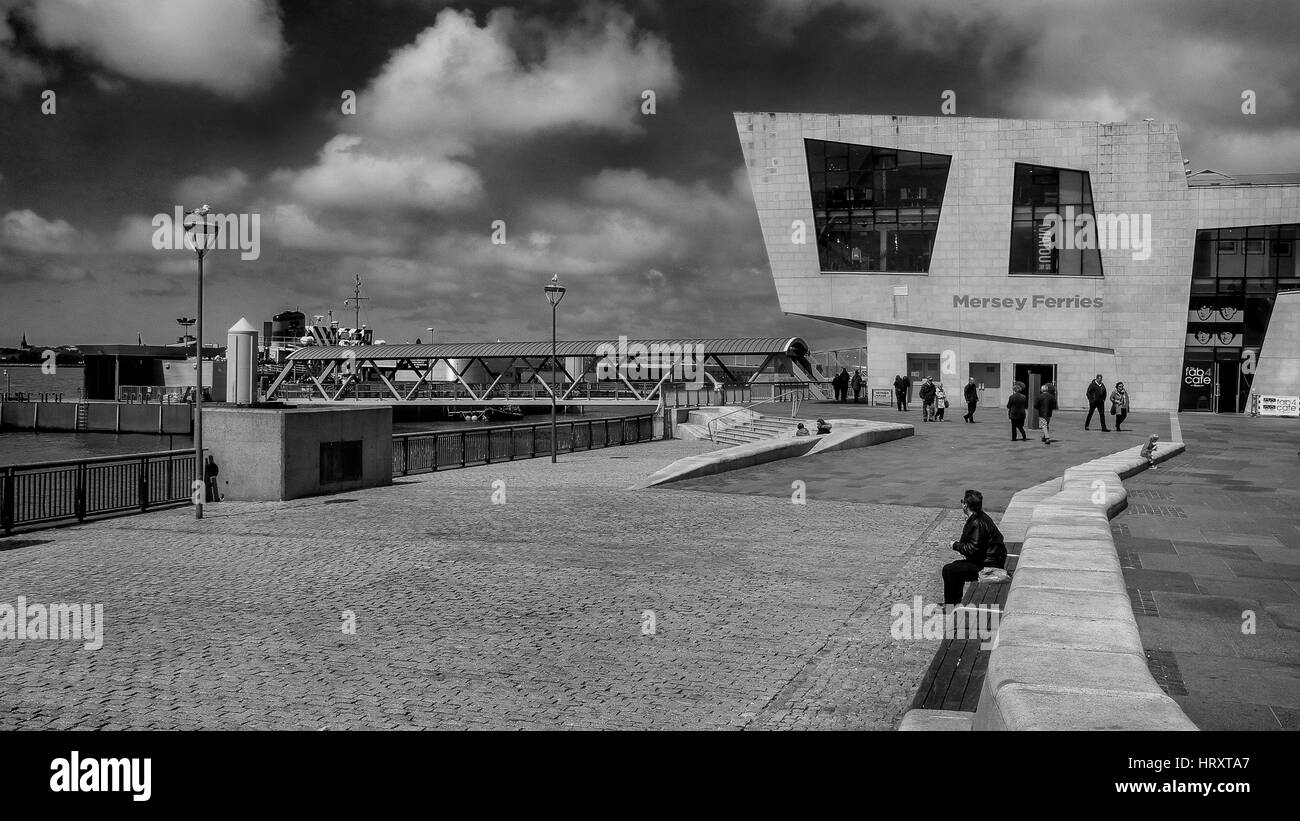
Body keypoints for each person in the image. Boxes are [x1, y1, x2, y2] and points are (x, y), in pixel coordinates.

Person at [942, 489, 1008, 605]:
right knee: (955, 567)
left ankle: (950, 606)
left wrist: (955, 545)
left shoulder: (977, 522)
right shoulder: (980, 517)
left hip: (989, 567)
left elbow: (973, 549)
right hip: (993, 560)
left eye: (962, 502)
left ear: (965, 505)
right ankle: (954, 603)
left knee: (949, 570)